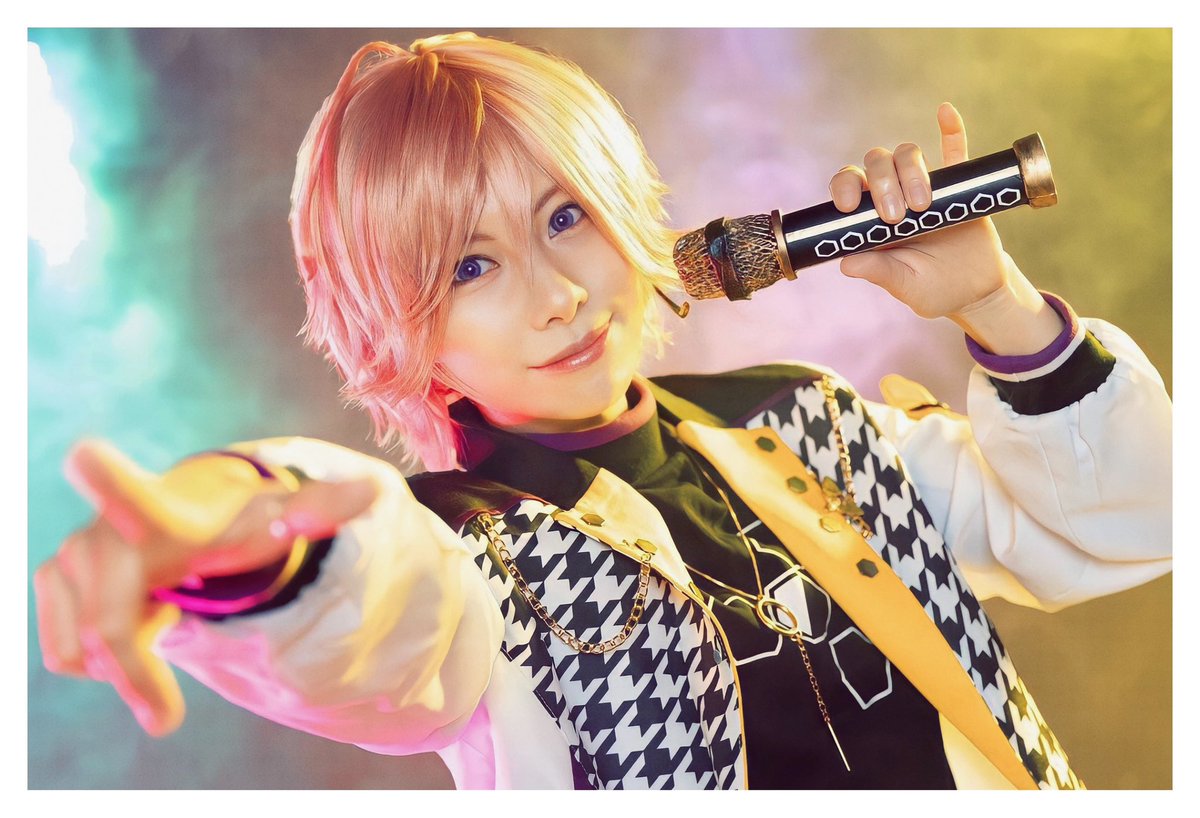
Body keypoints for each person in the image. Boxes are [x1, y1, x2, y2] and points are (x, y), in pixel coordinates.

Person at [33, 32, 1172, 790]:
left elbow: (1131, 517)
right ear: (401, 332)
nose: (558, 294)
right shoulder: (461, 546)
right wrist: (230, 536)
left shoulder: (810, 420)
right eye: (469, 267)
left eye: (566, 216)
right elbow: (363, 606)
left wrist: (994, 304)